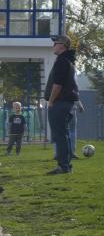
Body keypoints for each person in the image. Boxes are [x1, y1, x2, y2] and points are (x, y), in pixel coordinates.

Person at [45, 34, 79, 175]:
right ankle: (66, 165)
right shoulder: (67, 60)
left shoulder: (62, 61)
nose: (53, 45)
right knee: (64, 134)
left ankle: (63, 166)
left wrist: (51, 101)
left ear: (63, 45)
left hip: (60, 103)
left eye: (55, 43)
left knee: (60, 135)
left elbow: (57, 85)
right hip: (67, 103)